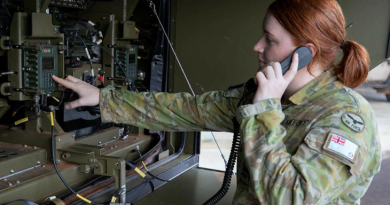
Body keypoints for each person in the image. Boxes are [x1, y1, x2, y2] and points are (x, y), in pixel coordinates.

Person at [52, 0, 381, 204]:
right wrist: (104, 98)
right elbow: (188, 110)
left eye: (270, 39)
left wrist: (265, 112)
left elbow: (292, 199)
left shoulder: (345, 118)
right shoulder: (261, 94)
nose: (257, 46)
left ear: (304, 52)